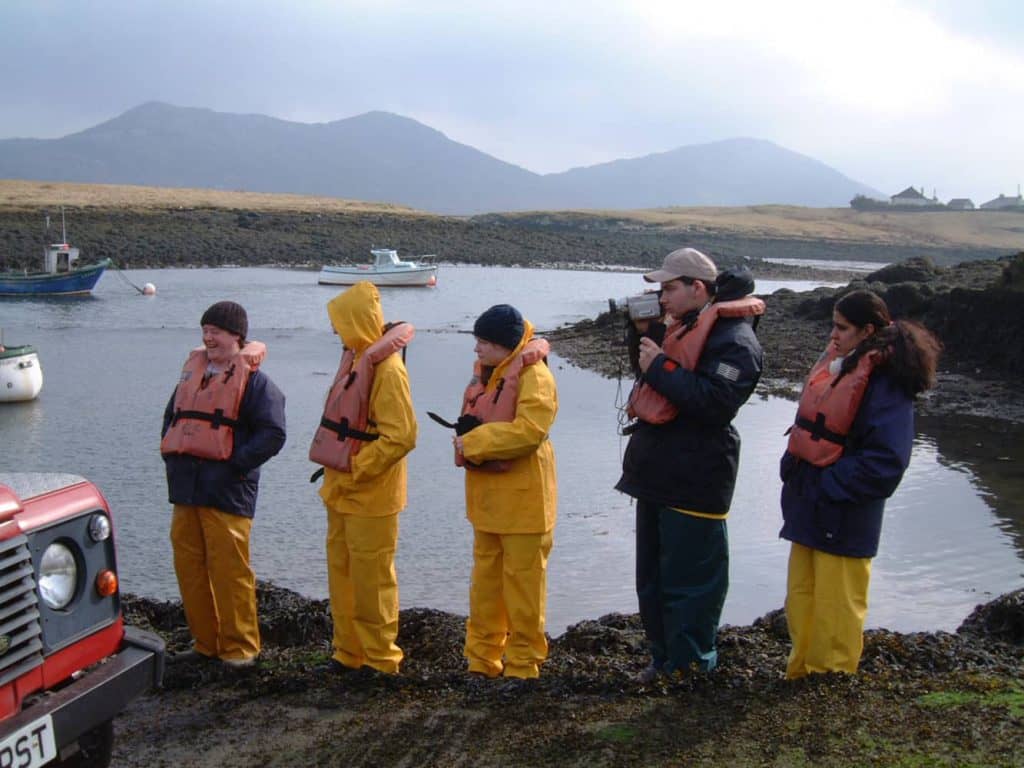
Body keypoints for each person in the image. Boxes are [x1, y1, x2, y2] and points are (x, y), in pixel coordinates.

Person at [615, 247, 764, 681]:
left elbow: (716, 403)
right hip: (659, 473)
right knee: (654, 579)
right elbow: (655, 381)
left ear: (697, 288)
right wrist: (641, 337)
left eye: (668, 288)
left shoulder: (736, 341)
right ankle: (664, 661)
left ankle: (692, 667)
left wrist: (658, 364)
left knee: (691, 583)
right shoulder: (683, 327)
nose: (662, 298)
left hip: (697, 476)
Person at [779, 289, 940, 679]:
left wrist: (827, 486)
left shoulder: (886, 383)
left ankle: (830, 679)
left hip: (843, 514)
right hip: (812, 509)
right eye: (833, 326)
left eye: (842, 328)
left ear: (867, 331)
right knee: (803, 598)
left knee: (836, 604)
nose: (833, 336)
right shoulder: (844, 368)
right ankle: (800, 673)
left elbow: (887, 461)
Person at [161, 300, 286, 667]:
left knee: (230, 573)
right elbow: (173, 417)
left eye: (215, 331)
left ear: (237, 336)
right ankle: (206, 644)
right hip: (186, 489)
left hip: (227, 490)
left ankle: (240, 650)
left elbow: (273, 434)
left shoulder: (258, 383)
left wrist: (235, 465)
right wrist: (171, 456)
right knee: (190, 568)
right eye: (205, 330)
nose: (208, 337)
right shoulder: (192, 375)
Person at [309, 281, 417, 675]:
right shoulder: (356, 360)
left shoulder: (388, 370)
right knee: (342, 574)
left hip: (372, 496)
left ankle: (381, 661)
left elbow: (402, 435)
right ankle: (348, 653)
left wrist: (357, 467)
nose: (336, 330)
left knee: (372, 581)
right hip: (340, 491)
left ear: (356, 321)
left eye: (340, 322)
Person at [453, 304, 558, 680]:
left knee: (524, 593)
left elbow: (531, 431)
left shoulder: (535, 376)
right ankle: (481, 663)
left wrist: (475, 441)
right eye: (476, 340)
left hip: (526, 506)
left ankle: (523, 668)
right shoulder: (489, 374)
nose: (477, 349)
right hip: (488, 505)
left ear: (504, 344)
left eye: (483, 342)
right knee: (485, 590)